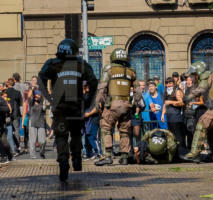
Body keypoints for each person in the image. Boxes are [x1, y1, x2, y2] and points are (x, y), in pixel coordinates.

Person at [38, 38, 97, 181]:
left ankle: (63, 160)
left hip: (60, 108)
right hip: (76, 107)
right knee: (76, 134)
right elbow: (94, 82)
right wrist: (88, 101)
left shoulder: (52, 64)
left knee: (61, 136)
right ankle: (76, 158)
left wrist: (49, 98)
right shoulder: (80, 64)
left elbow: (41, 78)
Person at [92, 48, 143, 166]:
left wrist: (96, 102)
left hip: (112, 105)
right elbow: (138, 91)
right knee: (125, 131)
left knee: (105, 128)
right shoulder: (131, 71)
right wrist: (136, 103)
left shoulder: (109, 69)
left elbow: (102, 87)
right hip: (126, 105)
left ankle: (107, 155)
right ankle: (125, 156)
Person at [181, 61, 213, 162]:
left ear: (199, 72)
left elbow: (201, 89)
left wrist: (187, 97)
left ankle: (194, 154)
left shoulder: (206, 75)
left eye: (194, 74)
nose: (193, 77)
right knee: (210, 129)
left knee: (202, 122)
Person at [161, 77, 186, 150]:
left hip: (177, 118)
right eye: (167, 83)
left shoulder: (177, 91)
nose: (168, 85)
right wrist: (162, 114)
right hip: (169, 118)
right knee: (172, 137)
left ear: (173, 84)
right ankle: (175, 154)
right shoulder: (166, 92)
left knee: (179, 137)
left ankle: (182, 152)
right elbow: (165, 104)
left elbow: (182, 102)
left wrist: (171, 102)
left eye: (170, 83)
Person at [184, 75, 206, 150]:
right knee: (188, 132)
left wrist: (193, 103)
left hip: (194, 114)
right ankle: (190, 148)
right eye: (187, 80)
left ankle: (197, 148)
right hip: (187, 114)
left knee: (192, 131)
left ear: (193, 81)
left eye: (190, 80)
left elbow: (202, 102)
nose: (188, 82)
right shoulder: (186, 90)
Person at [28, 90, 47, 159]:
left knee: (43, 141)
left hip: (41, 123)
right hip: (32, 123)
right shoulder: (31, 102)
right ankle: (33, 155)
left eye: (38, 95)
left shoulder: (42, 102)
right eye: (35, 95)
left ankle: (41, 153)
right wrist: (32, 89)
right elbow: (29, 96)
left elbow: (45, 107)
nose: (37, 96)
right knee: (32, 141)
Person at [5, 78, 22, 155]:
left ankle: (9, 148)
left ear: (8, 84)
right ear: (14, 84)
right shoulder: (17, 92)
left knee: (8, 131)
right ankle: (17, 147)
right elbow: (20, 104)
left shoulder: (5, 92)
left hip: (7, 114)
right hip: (16, 114)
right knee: (16, 131)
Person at [0, 90, 13, 163]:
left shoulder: (1, 100)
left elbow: (7, 109)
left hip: (1, 124)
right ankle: (7, 155)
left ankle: (4, 156)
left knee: (3, 141)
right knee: (3, 141)